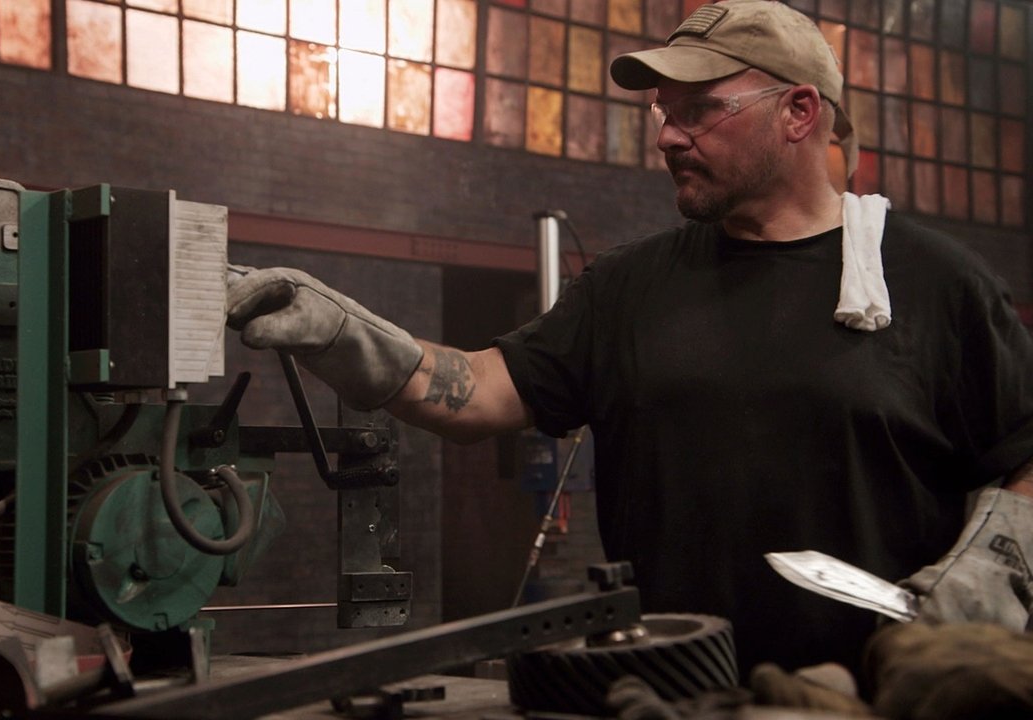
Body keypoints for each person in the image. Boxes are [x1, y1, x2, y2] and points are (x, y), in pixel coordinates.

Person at [227, 0, 1033, 676]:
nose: (669, 136)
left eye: (700, 110)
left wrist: (994, 571)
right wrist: (340, 332)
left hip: (873, 696)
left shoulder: (934, 284)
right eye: (662, 112)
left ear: (798, 112)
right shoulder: (628, 288)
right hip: (667, 689)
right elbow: (478, 393)